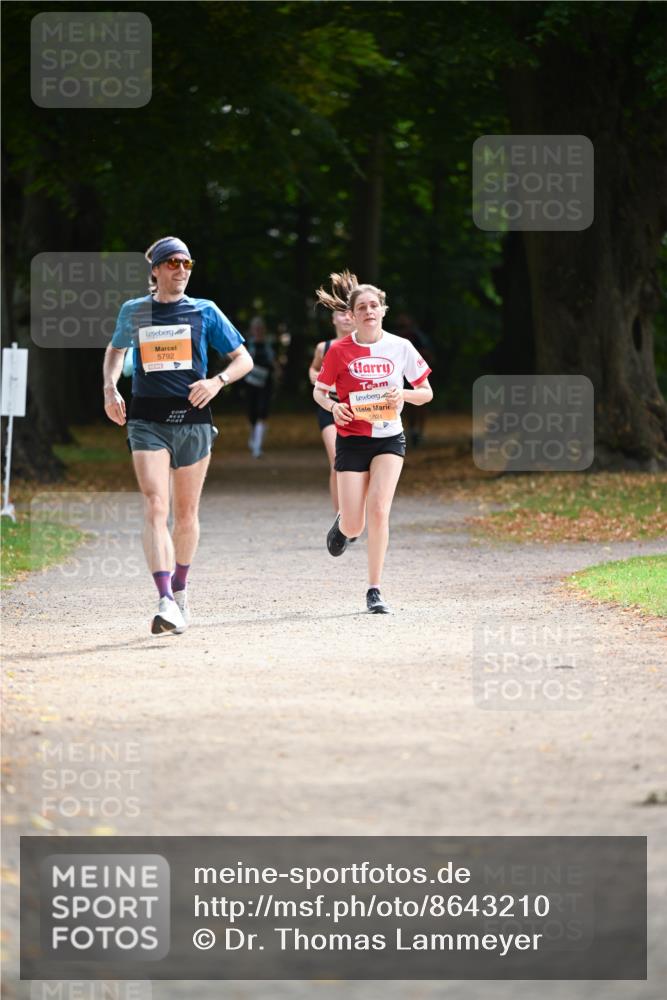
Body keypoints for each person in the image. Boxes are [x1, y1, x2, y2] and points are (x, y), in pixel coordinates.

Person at [102, 235, 253, 634]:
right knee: (155, 505)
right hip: (146, 422)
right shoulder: (134, 311)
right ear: (155, 270)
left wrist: (217, 382)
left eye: (186, 264)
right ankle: (165, 598)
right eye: (172, 263)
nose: (181, 270)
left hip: (193, 421)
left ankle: (181, 590)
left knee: (185, 515)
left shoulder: (205, 311)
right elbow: (116, 350)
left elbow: (244, 359)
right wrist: (109, 387)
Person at [313, 271, 433, 614]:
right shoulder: (338, 351)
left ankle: (375, 590)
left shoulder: (401, 347)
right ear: (351, 315)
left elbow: (426, 394)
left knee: (379, 509)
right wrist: (334, 405)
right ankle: (343, 525)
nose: (368, 311)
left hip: (389, 438)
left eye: (374, 305)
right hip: (351, 440)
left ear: (383, 310)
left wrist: (404, 395)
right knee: (355, 524)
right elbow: (319, 392)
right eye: (362, 307)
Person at [308, 306, 356, 511]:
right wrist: (316, 379)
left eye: (348, 313)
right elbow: (314, 368)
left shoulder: (366, 345)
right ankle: (341, 519)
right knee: (337, 462)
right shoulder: (324, 347)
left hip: (360, 409)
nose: (345, 318)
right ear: (333, 319)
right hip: (330, 408)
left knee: (360, 463)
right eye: (340, 314)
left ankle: (355, 511)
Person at [394, 313, 435, 447]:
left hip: (417, 373)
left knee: (421, 403)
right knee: (406, 403)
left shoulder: (417, 336)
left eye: (404, 324)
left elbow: (428, 354)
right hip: (401, 374)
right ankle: (412, 431)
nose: (402, 327)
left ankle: (420, 431)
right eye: (400, 325)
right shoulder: (394, 338)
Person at [244, 316, 276, 458]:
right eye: (255, 328)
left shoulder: (269, 345)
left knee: (262, 412)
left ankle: (257, 447)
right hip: (250, 383)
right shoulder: (247, 345)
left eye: (260, 328)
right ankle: (253, 437)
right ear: (251, 330)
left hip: (266, 383)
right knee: (252, 414)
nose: (257, 330)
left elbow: (274, 362)